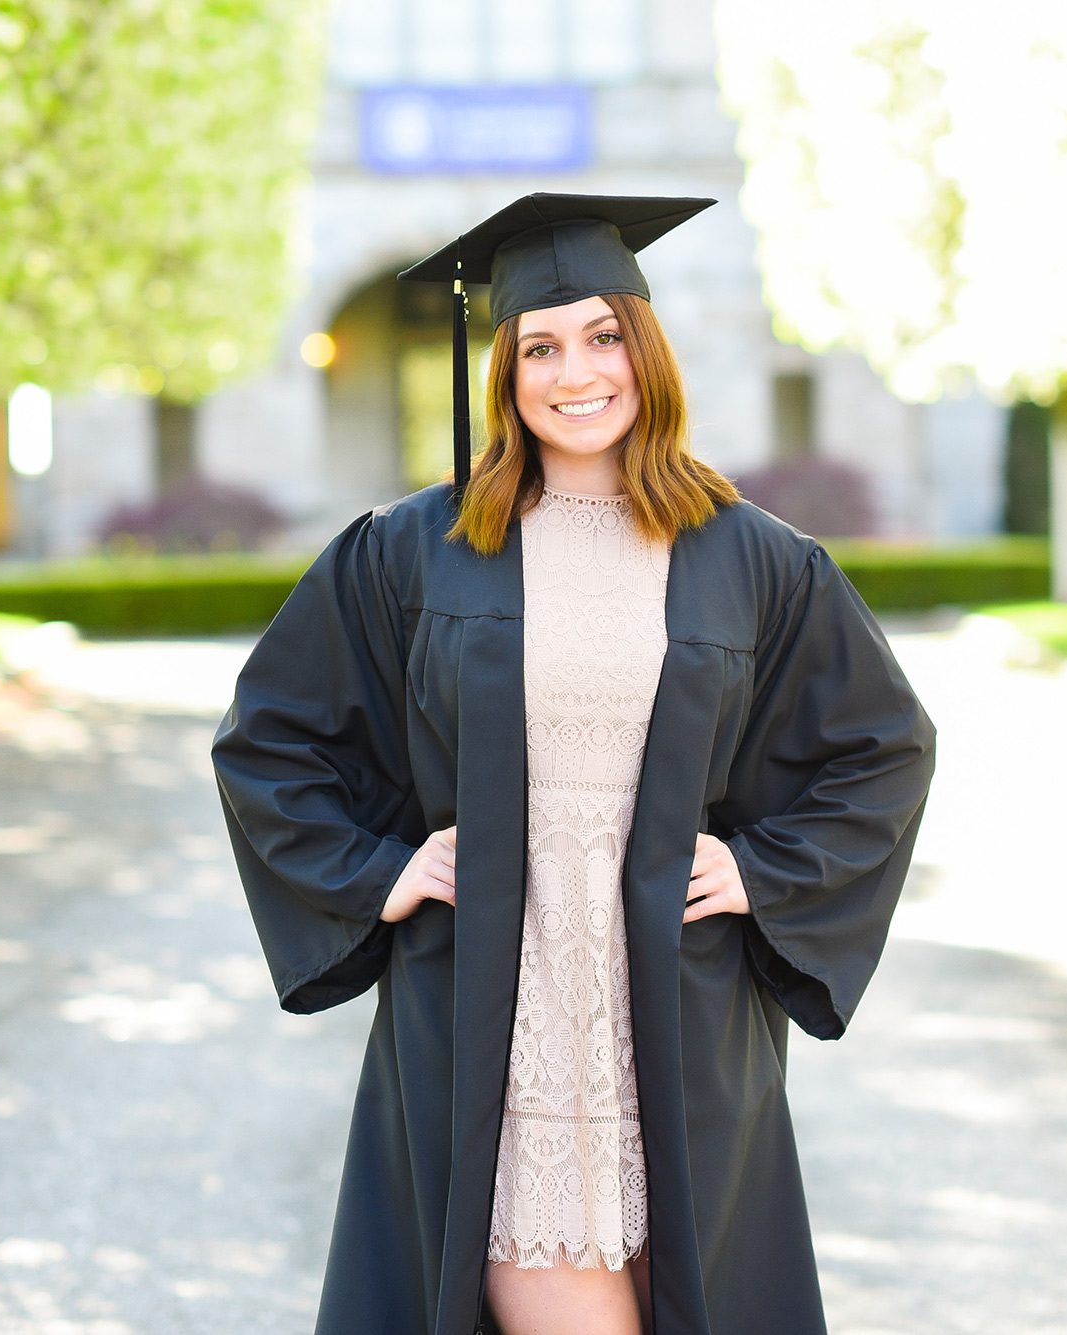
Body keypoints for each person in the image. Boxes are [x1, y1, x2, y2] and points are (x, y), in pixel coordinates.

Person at [211, 193, 937, 1335]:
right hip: (497, 1009)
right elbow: (272, 735)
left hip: (679, 1008)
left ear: (645, 351)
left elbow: (880, 745)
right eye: (538, 347)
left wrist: (764, 874)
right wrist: (376, 875)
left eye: (603, 337)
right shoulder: (416, 549)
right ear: (502, 371)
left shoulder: (751, 558)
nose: (574, 372)